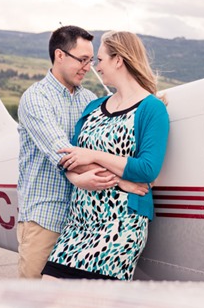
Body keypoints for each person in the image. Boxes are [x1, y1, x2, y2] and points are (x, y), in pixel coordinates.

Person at [41, 30, 170, 281]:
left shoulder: (151, 109)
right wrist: (116, 178)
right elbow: (71, 160)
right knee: (48, 293)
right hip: (79, 223)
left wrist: (93, 156)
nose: (95, 67)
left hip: (121, 226)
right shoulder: (93, 108)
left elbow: (147, 169)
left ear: (118, 60)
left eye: (99, 60)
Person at [16, 25, 98, 279]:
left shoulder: (90, 99)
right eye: (82, 60)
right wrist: (125, 175)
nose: (87, 67)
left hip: (83, 222)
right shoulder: (36, 98)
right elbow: (63, 154)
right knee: (34, 298)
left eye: (91, 61)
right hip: (45, 219)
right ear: (60, 55)